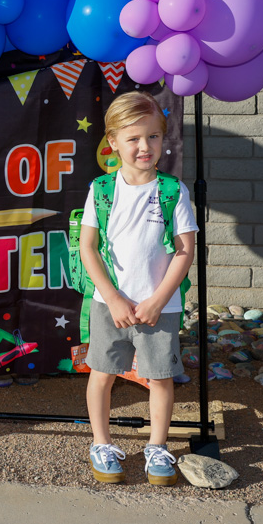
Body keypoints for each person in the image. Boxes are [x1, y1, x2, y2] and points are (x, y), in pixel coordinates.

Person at [79, 91, 197, 486]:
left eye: (153, 137)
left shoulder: (173, 191)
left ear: (164, 139)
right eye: (133, 138)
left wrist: (158, 299)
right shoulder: (101, 190)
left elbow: (184, 251)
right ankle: (101, 442)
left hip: (158, 308)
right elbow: (88, 248)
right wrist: (112, 297)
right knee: (101, 373)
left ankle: (158, 446)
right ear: (112, 142)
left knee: (160, 378)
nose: (144, 147)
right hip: (108, 305)